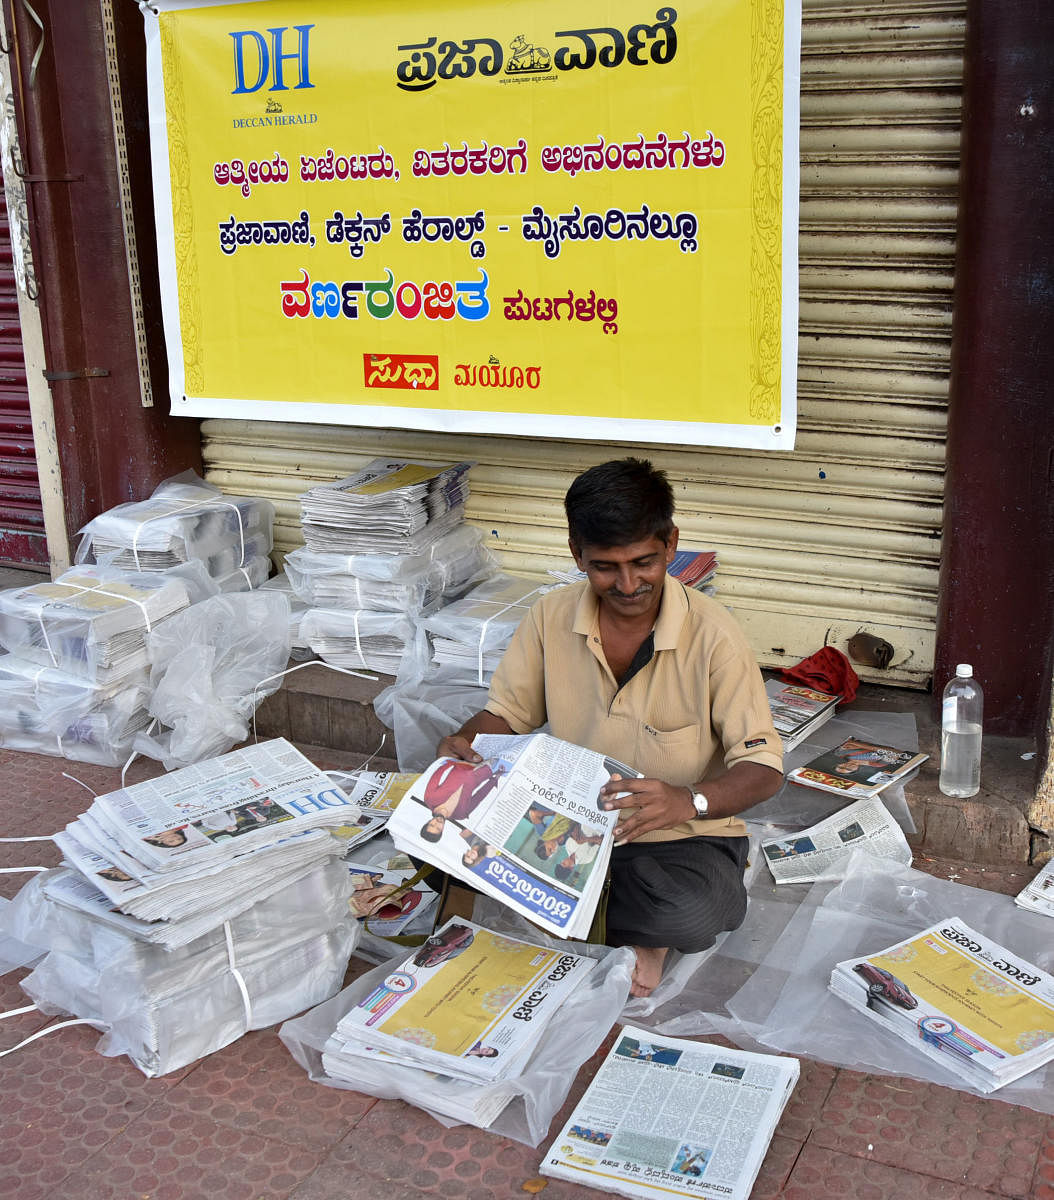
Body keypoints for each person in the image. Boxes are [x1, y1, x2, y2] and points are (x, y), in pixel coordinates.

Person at [438, 458, 783, 997]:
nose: (627, 584)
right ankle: (594, 918)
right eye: (604, 567)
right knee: (436, 841)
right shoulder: (550, 617)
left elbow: (762, 769)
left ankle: (612, 927)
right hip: (567, 822)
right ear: (577, 554)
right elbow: (507, 715)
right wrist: (465, 743)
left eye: (643, 562)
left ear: (671, 544)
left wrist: (685, 801)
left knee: (692, 914)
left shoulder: (716, 636)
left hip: (677, 837)